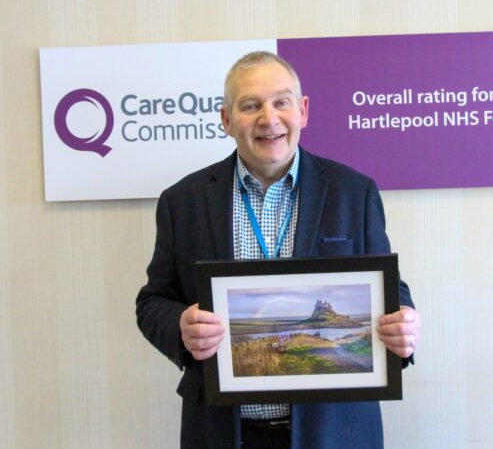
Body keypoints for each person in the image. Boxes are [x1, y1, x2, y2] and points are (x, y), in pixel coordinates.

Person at [136, 51, 421, 449]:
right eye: (250, 106)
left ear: (302, 111)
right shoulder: (182, 201)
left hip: (335, 431)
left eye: (281, 102)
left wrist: (404, 321)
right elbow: (153, 301)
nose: (268, 119)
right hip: (224, 433)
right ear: (226, 120)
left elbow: (388, 286)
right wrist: (180, 326)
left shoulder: (353, 192)